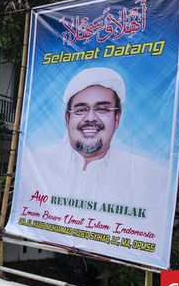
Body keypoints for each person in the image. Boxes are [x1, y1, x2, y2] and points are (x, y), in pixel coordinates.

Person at [20, 67, 168, 205]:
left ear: (117, 118)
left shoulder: (149, 176)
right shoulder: (35, 163)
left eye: (102, 109)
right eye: (80, 110)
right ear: (67, 119)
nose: (90, 118)